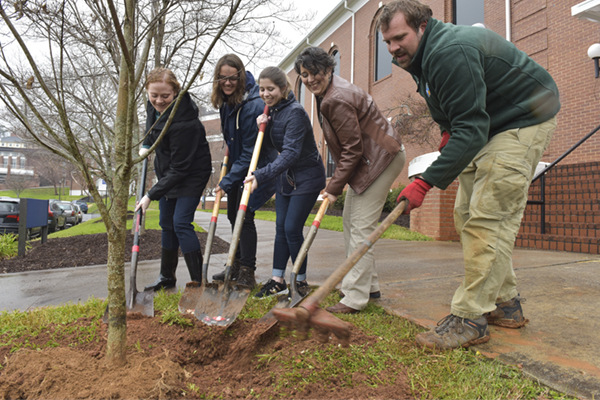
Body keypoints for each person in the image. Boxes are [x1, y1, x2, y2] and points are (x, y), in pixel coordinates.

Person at [379, 0, 560, 349]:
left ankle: (470, 318)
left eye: (399, 37)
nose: (393, 47)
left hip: (524, 117)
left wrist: (424, 181)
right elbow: (452, 108)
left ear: (422, 26)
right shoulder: (418, 58)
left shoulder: (449, 50)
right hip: (489, 123)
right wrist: (448, 129)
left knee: (488, 219)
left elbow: (471, 129)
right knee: (465, 216)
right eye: (387, 41)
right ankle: (505, 303)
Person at [294, 47, 406, 314]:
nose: (310, 79)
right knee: (351, 222)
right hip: (373, 160)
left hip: (381, 160)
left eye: (315, 72)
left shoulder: (336, 98)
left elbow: (352, 149)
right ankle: (369, 286)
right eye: (305, 75)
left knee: (360, 230)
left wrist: (334, 187)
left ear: (328, 69)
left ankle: (354, 298)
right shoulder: (329, 93)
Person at [244, 66, 326, 298]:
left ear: (283, 88)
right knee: (281, 228)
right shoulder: (273, 111)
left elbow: (290, 153)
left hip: (307, 176)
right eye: (261, 89)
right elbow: (270, 147)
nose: (265, 93)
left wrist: (260, 176)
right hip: (286, 178)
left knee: (292, 228)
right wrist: (264, 124)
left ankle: (299, 282)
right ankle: (277, 280)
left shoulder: (296, 112)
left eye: (270, 89)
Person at [136, 67, 212, 291]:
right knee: (166, 224)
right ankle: (166, 278)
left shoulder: (185, 123)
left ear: (176, 93)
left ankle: (199, 281)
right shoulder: (152, 105)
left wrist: (151, 194)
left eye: (165, 96)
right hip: (170, 171)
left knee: (180, 222)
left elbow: (181, 168)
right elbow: (151, 123)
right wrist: (147, 144)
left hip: (191, 174)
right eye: (154, 95)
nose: (159, 101)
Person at [210, 54, 277, 289]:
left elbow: (251, 152)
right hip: (239, 166)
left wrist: (228, 180)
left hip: (256, 167)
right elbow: (233, 138)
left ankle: (248, 271)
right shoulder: (227, 103)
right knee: (232, 216)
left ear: (240, 76)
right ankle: (235, 263)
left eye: (232, 78)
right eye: (222, 78)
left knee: (245, 217)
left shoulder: (252, 106)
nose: (227, 83)